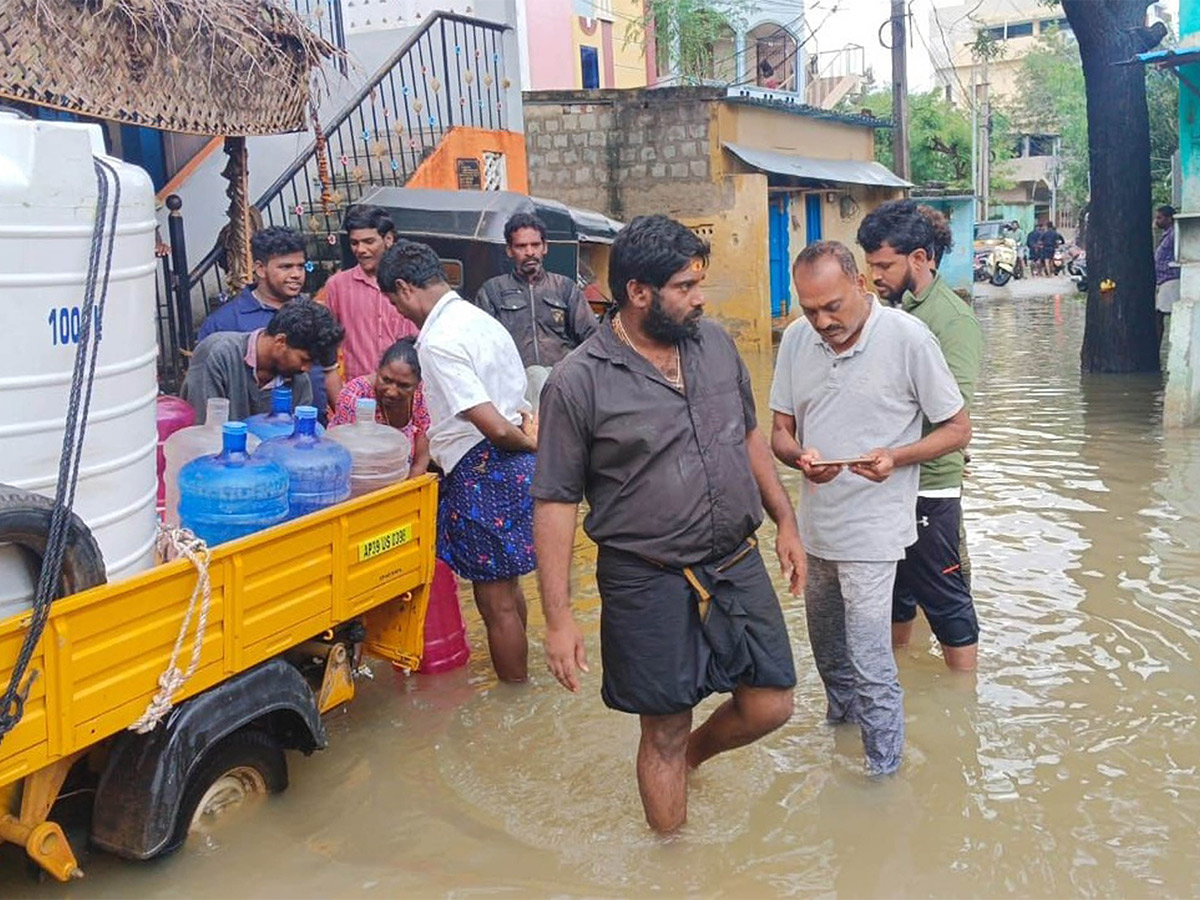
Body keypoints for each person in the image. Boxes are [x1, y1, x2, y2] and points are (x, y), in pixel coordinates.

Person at [532, 215, 802, 834]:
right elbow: (553, 503)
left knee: (771, 704)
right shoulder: (578, 381)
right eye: (684, 286)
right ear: (638, 292)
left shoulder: (716, 347)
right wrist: (559, 618)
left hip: (735, 562)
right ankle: (673, 865)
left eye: (698, 282)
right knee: (663, 729)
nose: (699, 298)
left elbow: (749, 438)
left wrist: (785, 519)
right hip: (644, 578)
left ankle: (695, 758)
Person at [769, 241, 970, 776]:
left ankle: (883, 777)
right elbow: (779, 431)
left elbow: (958, 428)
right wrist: (800, 457)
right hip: (817, 529)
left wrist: (896, 457)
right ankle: (842, 750)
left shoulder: (907, 338)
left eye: (832, 306)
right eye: (810, 310)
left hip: (875, 533)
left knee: (871, 662)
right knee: (830, 658)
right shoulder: (795, 340)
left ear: (860, 284)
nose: (822, 321)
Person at [377, 240, 538, 683]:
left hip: (486, 466)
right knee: (508, 589)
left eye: (395, 302)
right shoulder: (479, 319)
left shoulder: (438, 341)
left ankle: (513, 693)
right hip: (512, 467)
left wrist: (532, 445)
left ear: (406, 288)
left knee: (494, 602)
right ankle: (523, 677)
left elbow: (494, 426)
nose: (400, 314)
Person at [858, 200, 984, 671]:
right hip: (888, 480)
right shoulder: (888, 313)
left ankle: (962, 698)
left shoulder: (950, 320)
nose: (876, 276)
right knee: (896, 591)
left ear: (918, 258)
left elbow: (953, 420)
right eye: (871, 266)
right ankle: (902, 678)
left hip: (929, 483)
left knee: (946, 595)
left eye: (885, 265)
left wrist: (893, 450)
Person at [195, 226, 331, 420]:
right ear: (260, 268)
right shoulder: (224, 323)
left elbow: (327, 371)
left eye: (300, 266)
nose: (296, 274)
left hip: (306, 433)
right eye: (285, 267)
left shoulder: (316, 317)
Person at [182, 298, 344, 423]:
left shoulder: (300, 383)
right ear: (281, 341)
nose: (306, 369)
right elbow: (203, 430)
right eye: (304, 359)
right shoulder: (218, 354)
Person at [320, 205, 419, 411]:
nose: (360, 250)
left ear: (388, 239)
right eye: (355, 243)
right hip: (359, 401)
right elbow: (326, 344)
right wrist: (341, 400)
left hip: (408, 400)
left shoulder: (412, 284)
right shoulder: (337, 286)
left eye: (368, 242)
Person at [474, 212, 597, 370]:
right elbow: (479, 345)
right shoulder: (492, 292)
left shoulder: (565, 288)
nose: (530, 252)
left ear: (544, 247)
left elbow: (592, 338)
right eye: (521, 246)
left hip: (560, 384)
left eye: (535, 245)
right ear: (509, 251)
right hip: (513, 384)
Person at [330, 337, 432, 476]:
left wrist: (407, 490)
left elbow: (421, 460)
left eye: (404, 385)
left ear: (417, 383)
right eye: (386, 380)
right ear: (378, 370)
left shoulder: (421, 395)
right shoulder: (355, 395)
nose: (392, 392)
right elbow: (351, 460)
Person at [1155, 204, 1180, 345]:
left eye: (1160, 218)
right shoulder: (1167, 235)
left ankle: (1159, 347)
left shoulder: (1174, 234)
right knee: (1159, 314)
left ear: (1169, 219)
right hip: (1163, 281)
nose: (1157, 221)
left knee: (1161, 315)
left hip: (1171, 279)